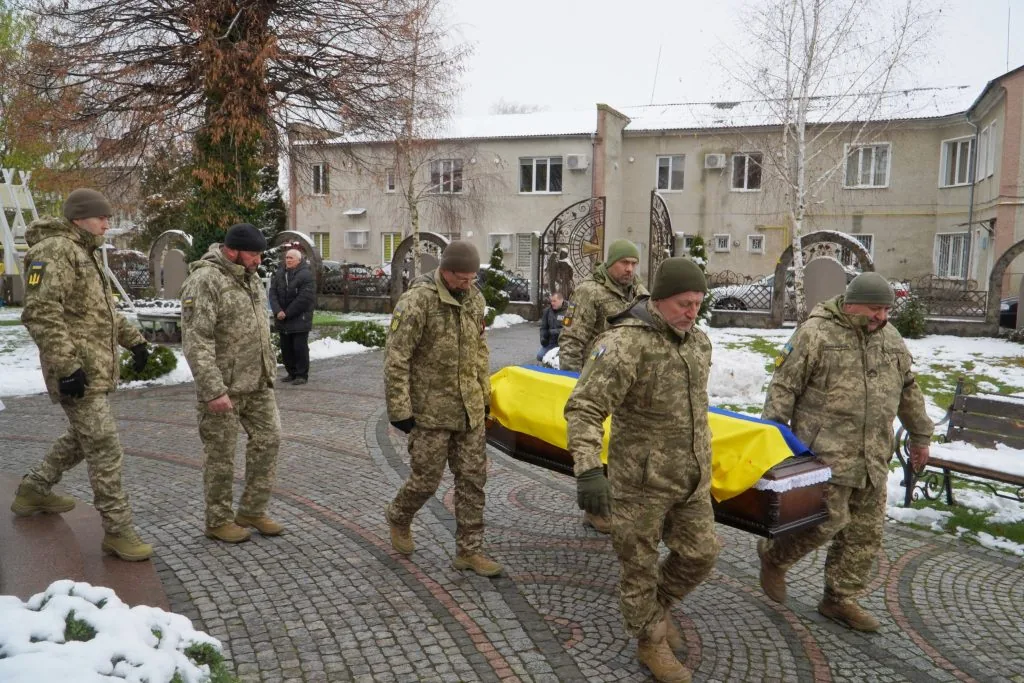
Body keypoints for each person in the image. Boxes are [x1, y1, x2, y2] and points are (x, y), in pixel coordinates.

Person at [564, 257, 717, 683]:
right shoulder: (624, 344)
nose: (693, 312)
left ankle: (657, 609)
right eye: (685, 303)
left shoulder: (698, 342)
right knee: (639, 567)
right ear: (661, 300)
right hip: (640, 483)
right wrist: (589, 469)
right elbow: (585, 407)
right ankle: (651, 641)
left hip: (690, 479)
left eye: (698, 303)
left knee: (702, 554)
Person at [756, 272, 932, 632]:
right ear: (851, 304)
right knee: (824, 522)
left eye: (886, 310)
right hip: (824, 457)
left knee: (864, 535)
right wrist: (772, 441)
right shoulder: (815, 333)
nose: (881, 316)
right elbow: (783, 387)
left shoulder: (891, 339)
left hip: (873, 458)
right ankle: (775, 558)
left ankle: (839, 599)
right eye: (874, 308)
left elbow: (908, 388)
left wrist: (921, 435)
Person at [11, 188, 153, 561]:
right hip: (77, 371)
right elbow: (40, 312)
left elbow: (101, 310)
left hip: (94, 369)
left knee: (81, 437)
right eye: (101, 217)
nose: (107, 223)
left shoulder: (84, 253)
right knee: (104, 446)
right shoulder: (53, 250)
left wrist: (135, 342)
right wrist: (67, 367)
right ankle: (118, 531)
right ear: (79, 218)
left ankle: (35, 489)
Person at [383, 241, 502, 577]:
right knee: (426, 481)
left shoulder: (475, 299)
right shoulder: (419, 300)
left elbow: (480, 348)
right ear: (446, 271)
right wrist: (400, 409)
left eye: (473, 278)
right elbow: (396, 357)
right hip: (430, 412)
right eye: (463, 278)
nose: (469, 284)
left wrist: (485, 393)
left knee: (472, 481)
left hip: (469, 411)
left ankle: (469, 551)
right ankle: (399, 515)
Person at [180, 223, 284, 543]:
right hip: (224, 389)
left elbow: (256, 329)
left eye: (260, 254)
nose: (258, 260)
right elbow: (197, 341)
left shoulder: (249, 278)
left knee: (270, 439)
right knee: (221, 456)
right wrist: (213, 390)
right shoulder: (205, 281)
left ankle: (251, 509)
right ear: (232, 251)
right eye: (253, 254)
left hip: (257, 383)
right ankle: (218, 519)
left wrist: (269, 369)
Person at [557, 238, 648, 534]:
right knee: (597, 447)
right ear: (610, 263)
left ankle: (620, 502)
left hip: (630, 385)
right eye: (625, 263)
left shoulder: (640, 291)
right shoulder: (589, 292)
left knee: (624, 449)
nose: (630, 269)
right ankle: (596, 511)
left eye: (634, 264)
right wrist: (570, 380)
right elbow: (572, 339)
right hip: (596, 383)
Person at [269, 248, 316, 385]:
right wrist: (278, 311)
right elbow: (273, 293)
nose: (288, 260)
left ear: (299, 260)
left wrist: (287, 313)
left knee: (299, 347)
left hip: (299, 318)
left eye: (291, 258)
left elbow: (304, 298)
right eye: (287, 257)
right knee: (286, 347)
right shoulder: (280, 273)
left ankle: (301, 375)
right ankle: (291, 372)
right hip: (282, 318)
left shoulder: (306, 275)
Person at [537, 292, 567, 362]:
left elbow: (567, 329)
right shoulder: (547, 311)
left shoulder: (569, 311)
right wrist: (543, 338)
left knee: (561, 360)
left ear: (561, 300)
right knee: (540, 356)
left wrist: (552, 332)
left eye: (554, 301)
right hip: (551, 342)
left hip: (564, 342)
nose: (552, 303)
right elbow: (543, 328)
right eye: (551, 301)